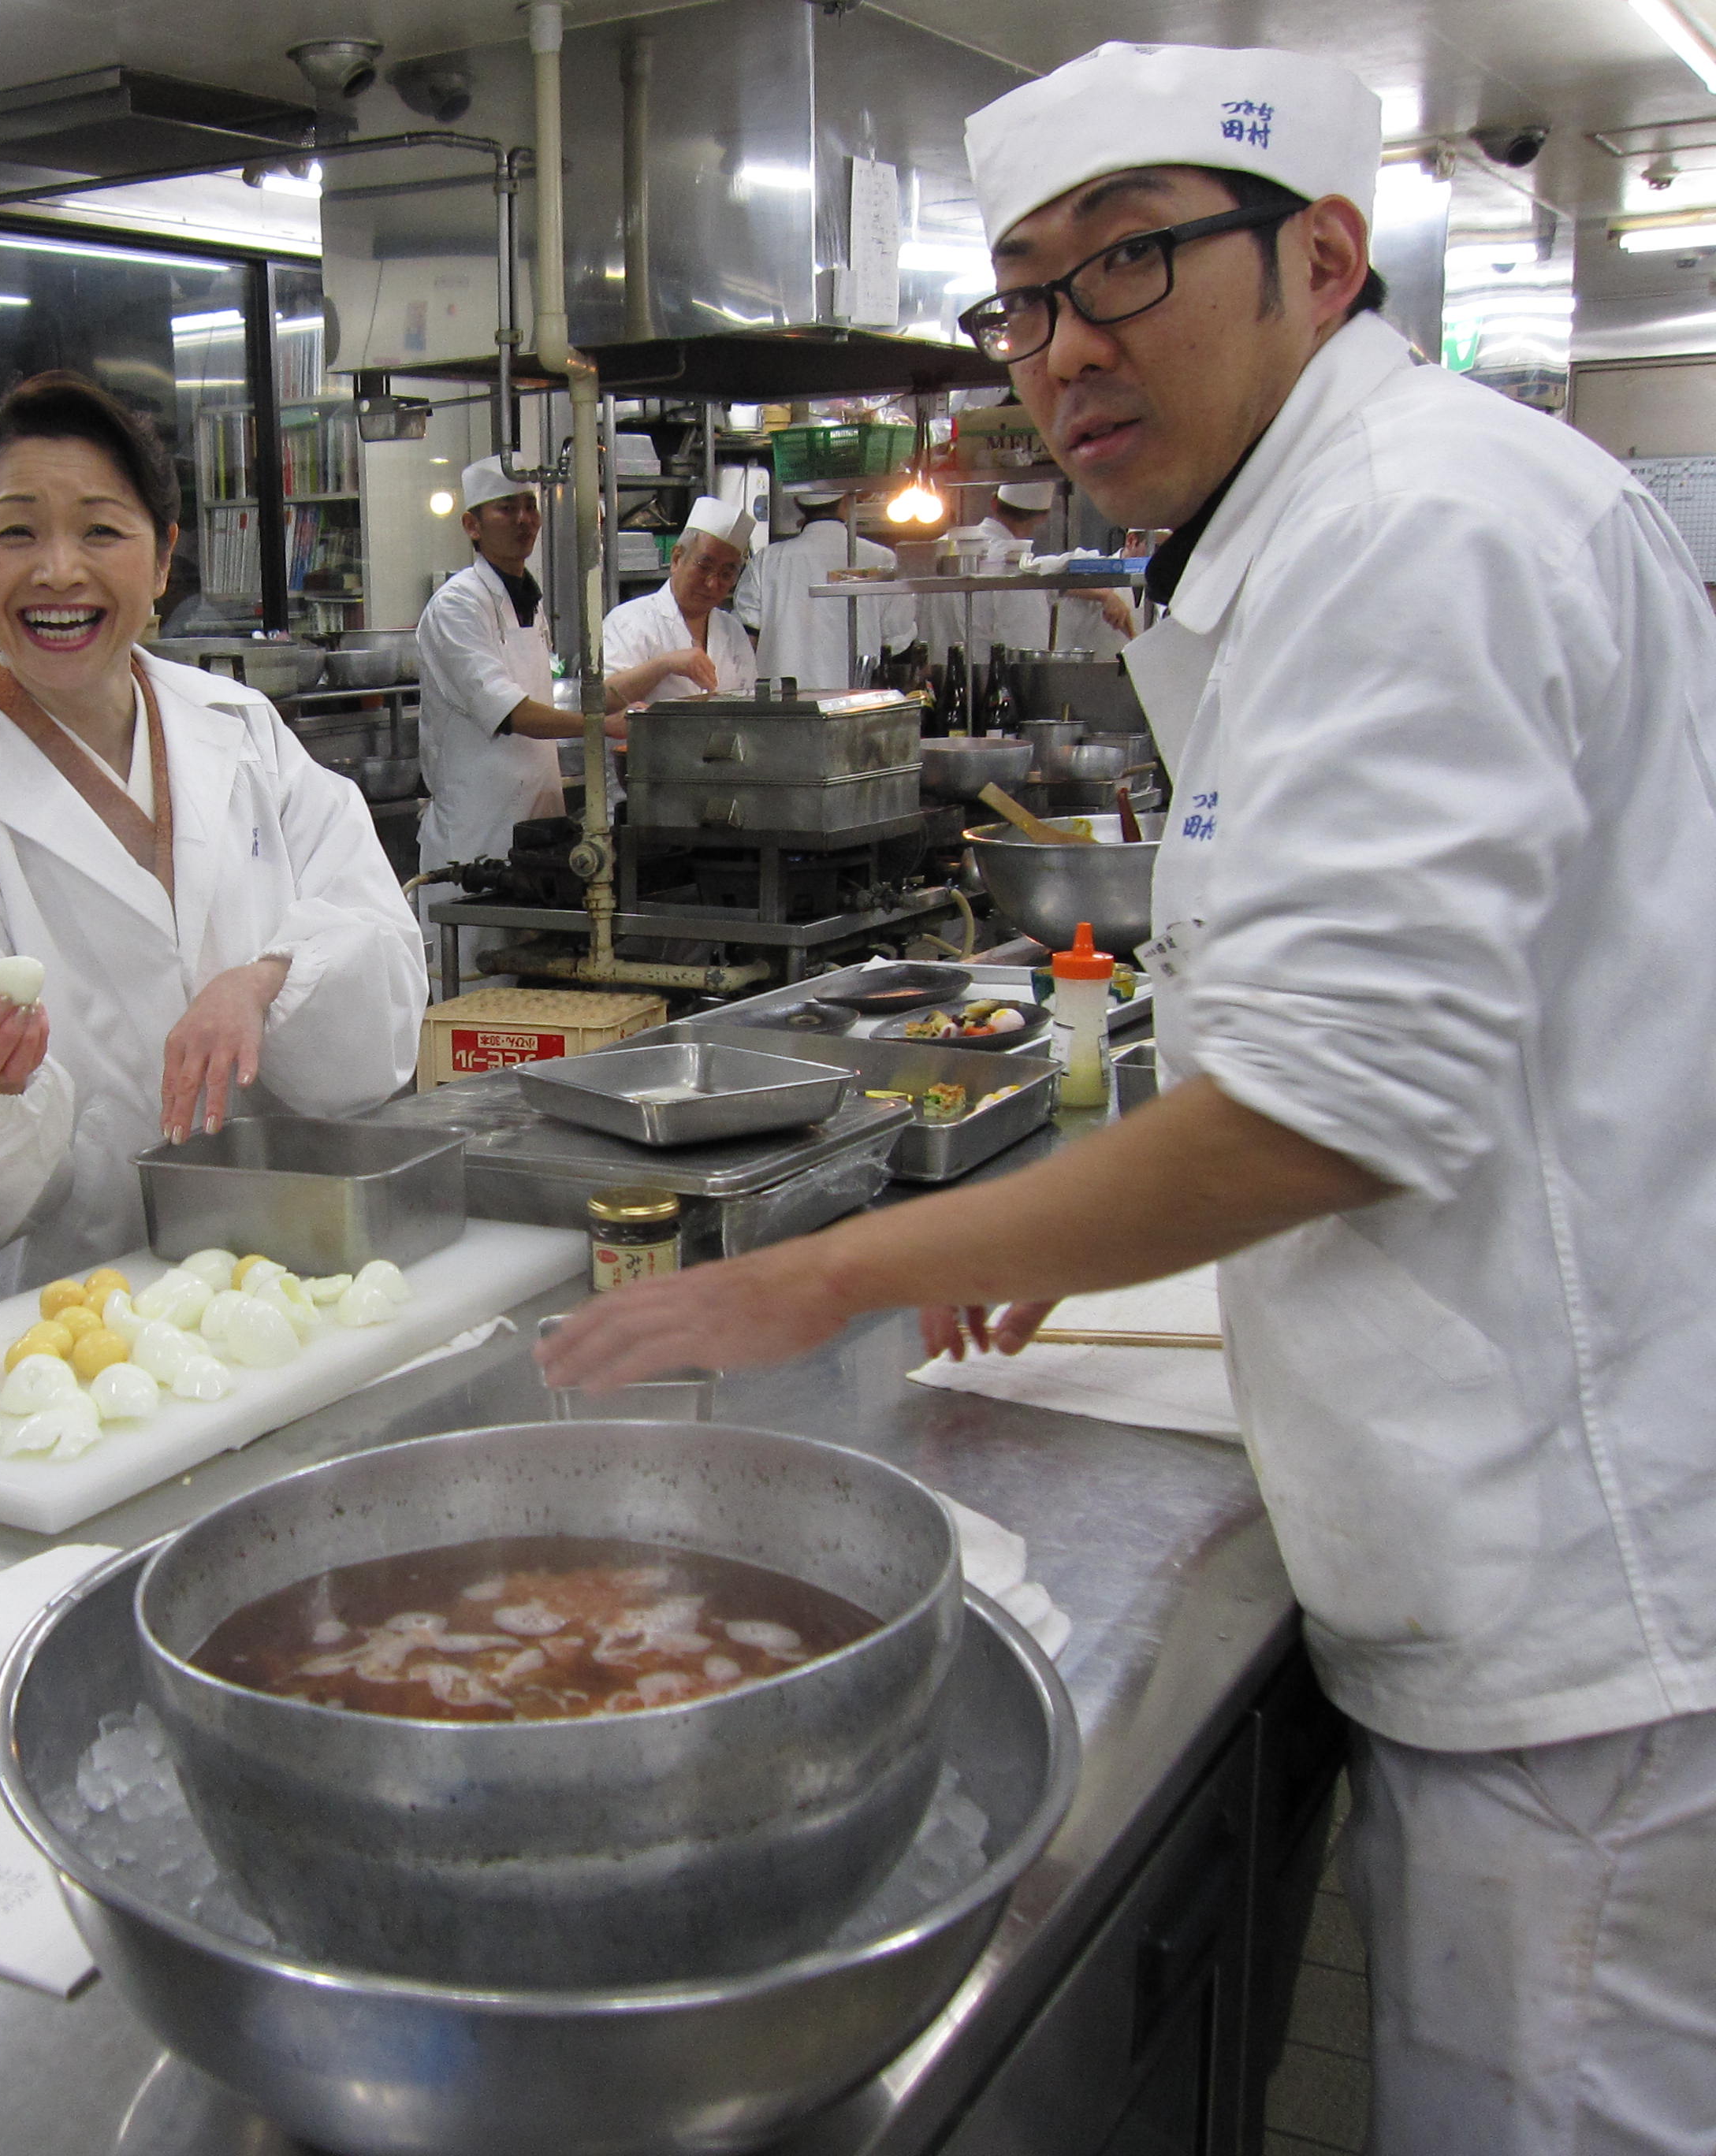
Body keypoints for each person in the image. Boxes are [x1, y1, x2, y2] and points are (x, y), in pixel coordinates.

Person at [542, 42, 1716, 2155]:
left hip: (1583, 1596)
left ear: (1324, 257)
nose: (1067, 346)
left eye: (1133, 265)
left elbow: (1327, 1109)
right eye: (1026, 298)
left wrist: (830, 1277)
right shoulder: (1332, 527)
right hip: (1532, 1519)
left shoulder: (1417, 531)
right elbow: (1348, 1040)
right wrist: (1056, 1236)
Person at [0, 371, 426, 1318]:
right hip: (69, 1333)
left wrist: (267, 978)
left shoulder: (241, 732)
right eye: (16, 531)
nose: (59, 571)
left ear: (162, 563)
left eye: (102, 531)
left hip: (285, 1285)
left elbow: (388, 994)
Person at [415, 457, 697, 888]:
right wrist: (601, 726)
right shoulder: (458, 605)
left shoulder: (529, 599)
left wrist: (655, 674)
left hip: (538, 816)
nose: (524, 520)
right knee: (474, 950)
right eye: (506, 509)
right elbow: (510, 711)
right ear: (473, 525)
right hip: (477, 827)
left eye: (530, 507)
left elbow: (561, 693)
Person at [914, 479, 1134, 661]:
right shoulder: (1018, 568)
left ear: (993, 503)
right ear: (1043, 517)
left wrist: (1104, 595)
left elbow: (1058, 577)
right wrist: (1107, 594)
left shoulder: (938, 550)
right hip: (993, 684)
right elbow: (1026, 644)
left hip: (935, 684)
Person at [734, 486, 914, 690]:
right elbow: (898, 641)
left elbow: (746, 641)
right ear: (847, 502)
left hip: (782, 704)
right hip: (855, 702)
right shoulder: (882, 559)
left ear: (796, 503)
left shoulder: (767, 560)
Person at [600, 496, 761, 703]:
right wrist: (664, 665)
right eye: (704, 567)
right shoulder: (629, 621)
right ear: (676, 558)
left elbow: (749, 700)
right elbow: (602, 700)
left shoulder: (732, 630)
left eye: (726, 574)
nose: (712, 583)